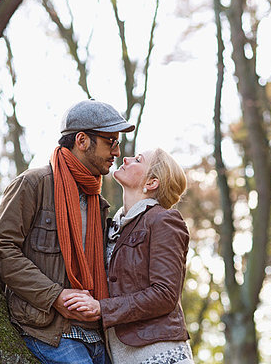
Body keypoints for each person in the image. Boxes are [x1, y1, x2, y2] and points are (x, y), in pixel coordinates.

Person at [0, 99, 134, 364]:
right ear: (82, 140)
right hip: (47, 330)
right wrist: (54, 295)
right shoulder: (33, 184)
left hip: (95, 333)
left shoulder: (98, 203)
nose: (116, 151)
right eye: (110, 141)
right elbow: (1, 249)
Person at [63, 148, 194, 364]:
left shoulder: (164, 220)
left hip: (159, 354)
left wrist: (102, 308)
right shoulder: (113, 226)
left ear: (152, 182)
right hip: (121, 355)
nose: (126, 158)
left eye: (138, 160)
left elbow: (165, 294)